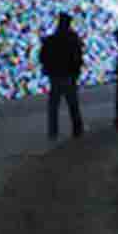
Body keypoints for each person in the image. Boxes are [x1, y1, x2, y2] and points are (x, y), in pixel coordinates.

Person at [39, 12, 85, 140]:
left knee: (54, 105)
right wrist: (77, 70)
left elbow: (43, 57)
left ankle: (53, 131)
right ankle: (77, 129)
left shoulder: (51, 39)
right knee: (72, 103)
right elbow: (78, 57)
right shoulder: (73, 39)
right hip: (68, 74)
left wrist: (48, 69)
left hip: (55, 75)